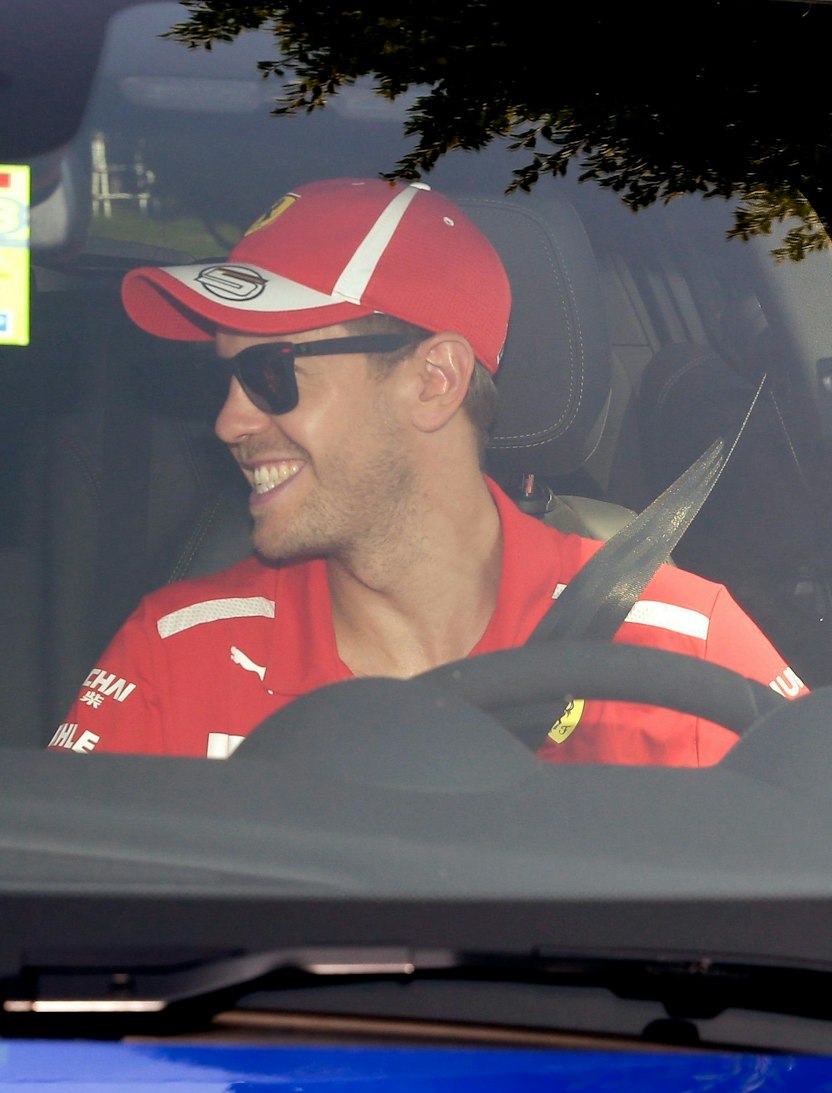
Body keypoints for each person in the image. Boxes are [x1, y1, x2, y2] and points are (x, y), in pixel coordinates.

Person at [51, 178, 805, 766]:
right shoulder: (179, 653)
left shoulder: (679, 644)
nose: (228, 421)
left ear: (433, 380)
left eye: (270, 373)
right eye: (219, 379)